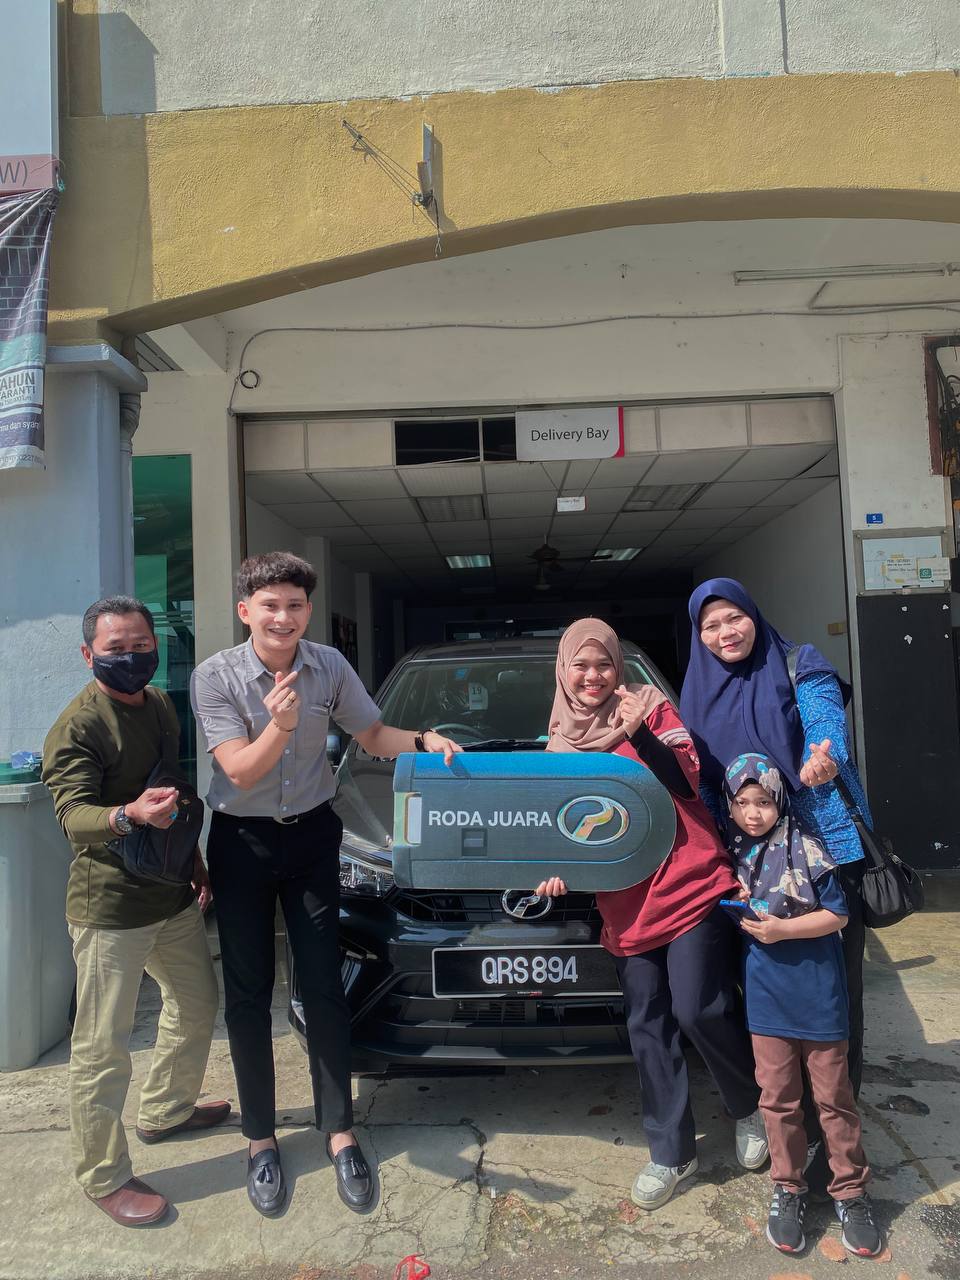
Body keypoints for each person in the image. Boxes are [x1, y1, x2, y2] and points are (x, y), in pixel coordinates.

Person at [190, 552, 461, 1217]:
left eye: (295, 605)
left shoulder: (328, 666)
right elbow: (240, 771)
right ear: (246, 611)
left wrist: (424, 739)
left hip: (312, 838)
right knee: (248, 994)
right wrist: (281, 727)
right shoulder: (215, 676)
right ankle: (260, 1140)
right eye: (271, 605)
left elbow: (372, 733)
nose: (284, 617)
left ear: (308, 611)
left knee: (323, 985)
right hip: (242, 842)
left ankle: (339, 1131)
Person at [533, 618, 767, 1210]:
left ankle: (749, 1105)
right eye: (581, 665)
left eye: (603, 664)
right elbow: (567, 826)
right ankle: (671, 1152)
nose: (593, 676)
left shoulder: (650, 708)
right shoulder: (558, 742)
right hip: (626, 902)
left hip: (689, 883)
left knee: (699, 1008)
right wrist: (557, 871)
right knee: (648, 1025)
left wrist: (639, 733)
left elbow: (687, 782)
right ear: (563, 671)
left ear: (618, 667)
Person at [41, 597, 228, 1228]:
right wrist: (129, 815)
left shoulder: (161, 706)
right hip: (110, 909)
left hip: (169, 894)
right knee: (102, 1047)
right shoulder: (78, 727)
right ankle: (103, 1175)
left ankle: (166, 1110)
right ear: (88, 654)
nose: (131, 657)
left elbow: (172, 792)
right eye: (116, 648)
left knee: (196, 1003)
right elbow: (73, 818)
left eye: (141, 645)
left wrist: (194, 860)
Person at [680, 579, 870, 1186]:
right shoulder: (696, 694)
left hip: (821, 852)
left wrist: (822, 755)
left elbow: (824, 724)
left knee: (835, 995)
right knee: (762, 996)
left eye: (734, 618)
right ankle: (786, 1129)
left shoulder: (798, 662)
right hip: (747, 868)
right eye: (710, 626)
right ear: (698, 636)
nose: (725, 633)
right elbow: (702, 783)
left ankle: (835, 1136)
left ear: (754, 616)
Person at [722, 753, 882, 1258]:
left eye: (763, 801)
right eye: (742, 802)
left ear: (780, 800)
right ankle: (788, 1188)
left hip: (819, 995)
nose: (753, 813)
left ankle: (850, 1192)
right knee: (778, 1099)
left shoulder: (808, 847)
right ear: (729, 806)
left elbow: (837, 916)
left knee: (834, 1099)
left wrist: (780, 930)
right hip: (767, 999)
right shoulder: (729, 858)